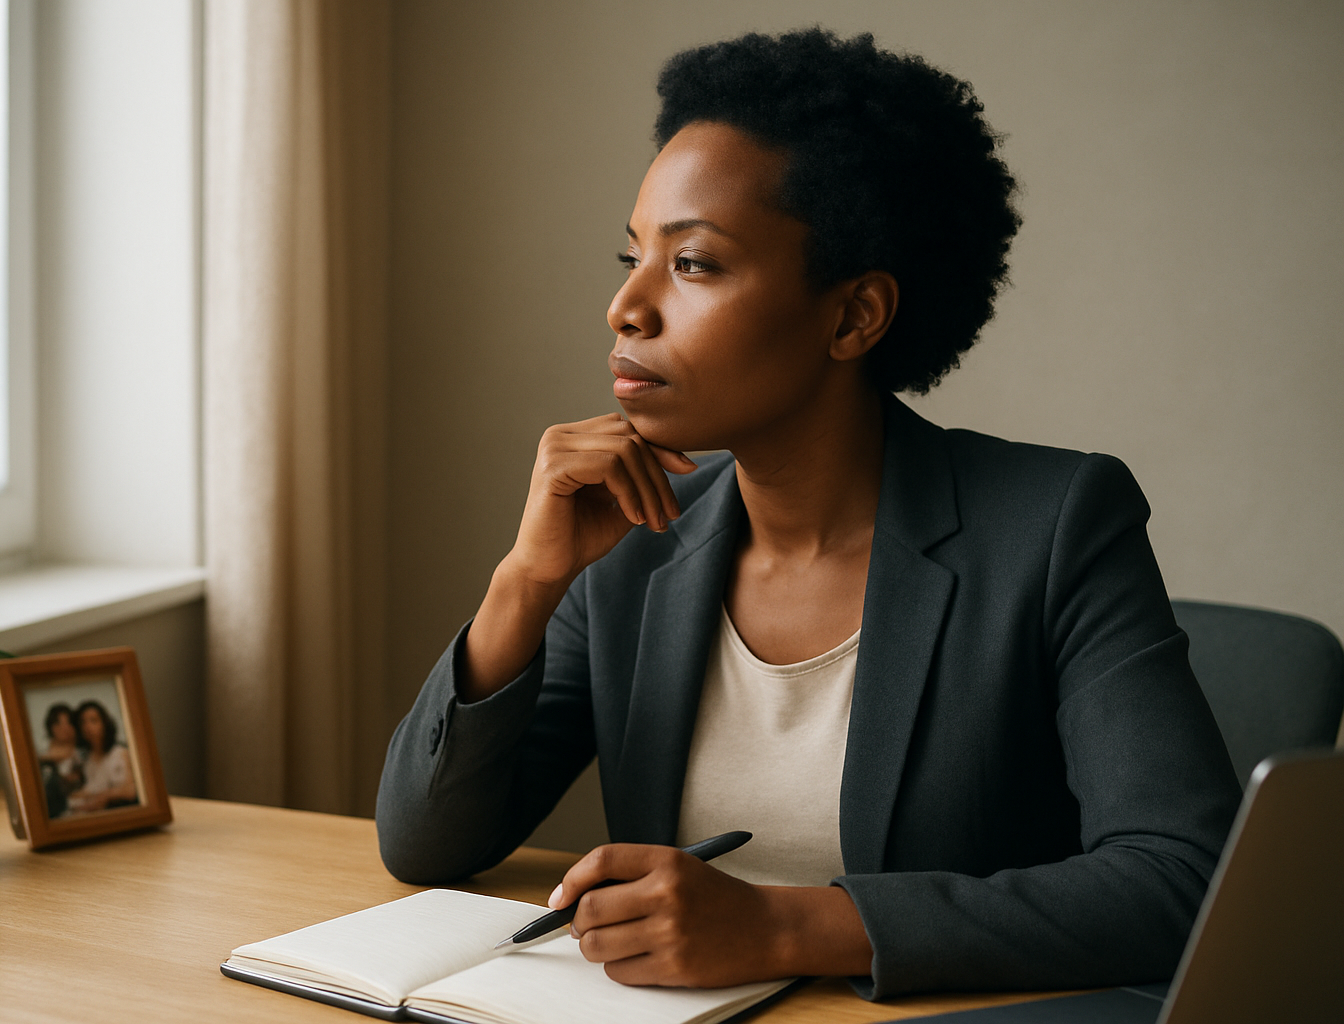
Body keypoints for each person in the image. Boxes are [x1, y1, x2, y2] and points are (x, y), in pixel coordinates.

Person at [375, 28, 1240, 1000]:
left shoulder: (1055, 524)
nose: (626, 306)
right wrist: (525, 581)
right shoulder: (632, 540)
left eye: (694, 265)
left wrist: (786, 923)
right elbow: (428, 842)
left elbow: (1183, 879)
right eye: (632, 258)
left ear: (853, 317)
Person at [68, 699, 139, 813]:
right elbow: (91, 789)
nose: (88, 726)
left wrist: (105, 796)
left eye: (93, 720)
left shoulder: (121, 753)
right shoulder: (87, 759)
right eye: (83, 722)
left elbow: (131, 791)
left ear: (104, 723)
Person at [38, 703, 84, 819]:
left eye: (68, 723)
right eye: (58, 724)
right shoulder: (42, 750)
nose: (64, 728)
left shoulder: (81, 753)